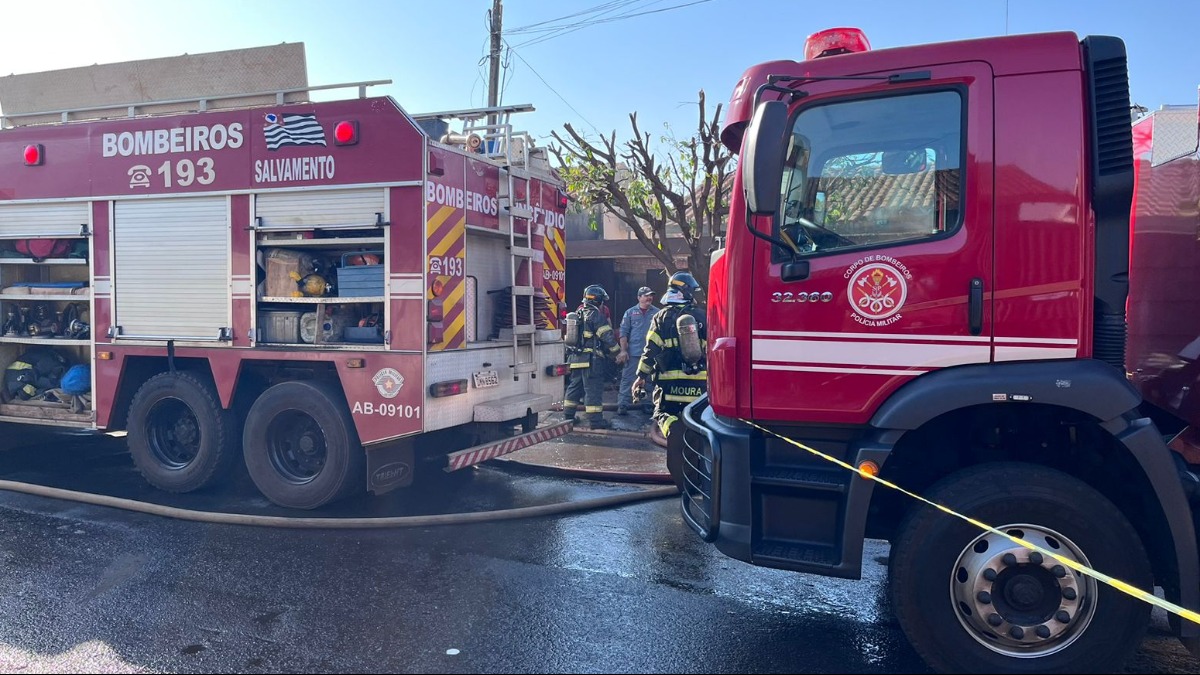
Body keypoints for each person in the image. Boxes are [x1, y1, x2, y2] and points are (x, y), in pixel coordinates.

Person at [633, 272, 707, 489]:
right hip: (699, 388)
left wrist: (640, 377)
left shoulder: (661, 318)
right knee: (697, 428)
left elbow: (650, 350)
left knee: (667, 419)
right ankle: (699, 481)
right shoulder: (703, 316)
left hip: (669, 388)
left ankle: (681, 481)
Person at [564, 284, 621, 428]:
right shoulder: (596, 315)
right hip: (592, 361)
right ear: (598, 301)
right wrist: (616, 353)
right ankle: (596, 421)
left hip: (575, 360)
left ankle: (568, 417)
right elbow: (608, 337)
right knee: (593, 390)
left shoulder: (577, 313)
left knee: (574, 388)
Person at [617, 286, 660, 415]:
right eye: (646, 295)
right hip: (634, 353)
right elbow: (623, 332)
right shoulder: (630, 313)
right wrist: (623, 351)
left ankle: (648, 404)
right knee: (628, 379)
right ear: (639, 297)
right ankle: (623, 404)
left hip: (652, 353)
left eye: (651, 295)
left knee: (650, 380)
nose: (649, 298)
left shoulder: (658, 313)